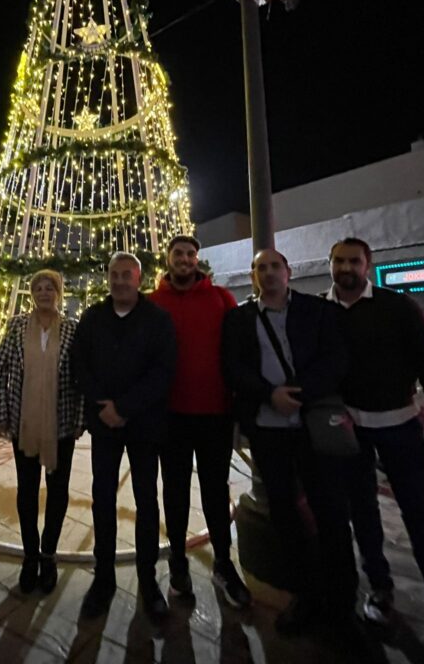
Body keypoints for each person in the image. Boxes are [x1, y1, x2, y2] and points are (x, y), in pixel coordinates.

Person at [327, 238, 424, 662]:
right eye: (339, 261)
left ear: (368, 265)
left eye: (354, 261)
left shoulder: (398, 307)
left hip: (400, 426)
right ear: (330, 264)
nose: (346, 268)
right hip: (350, 432)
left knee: (420, 516)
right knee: (363, 515)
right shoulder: (321, 311)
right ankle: (379, 589)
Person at [222, 249, 358, 636]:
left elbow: (336, 358)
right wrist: (270, 396)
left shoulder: (318, 311)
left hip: (314, 426)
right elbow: (233, 367)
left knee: (331, 512)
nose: (268, 273)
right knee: (284, 514)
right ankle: (306, 594)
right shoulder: (239, 319)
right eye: (260, 268)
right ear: (253, 275)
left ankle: (343, 601)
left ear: (288, 271)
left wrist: (297, 393)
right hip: (269, 432)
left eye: (274, 266)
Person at [71, 252, 177, 624]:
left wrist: (125, 407)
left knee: (147, 501)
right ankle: (103, 579)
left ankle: (148, 581)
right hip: (104, 425)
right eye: (114, 275)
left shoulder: (158, 320)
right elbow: (79, 365)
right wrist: (103, 404)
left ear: (138, 278)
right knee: (102, 499)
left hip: (144, 424)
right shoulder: (92, 318)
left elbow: (163, 371)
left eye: (126, 275)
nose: (119, 281)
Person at [148, 235, 251, 608]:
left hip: (215, 415)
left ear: (197, 259)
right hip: (171, 416)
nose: (185, 259)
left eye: (191, 254)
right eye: (179, 253)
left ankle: (223, 563)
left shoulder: (221, 298)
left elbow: (238, 351)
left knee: (215, 491)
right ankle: (178, 563)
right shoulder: (152, 303)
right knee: (174, 492)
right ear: (168, 258)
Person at [0, 269, 83, 595]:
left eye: (50, 287)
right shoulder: (17, 326)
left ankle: (48, 554)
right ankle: (30, 555)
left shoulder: (72, 328)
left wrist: (79, 420)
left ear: (59, 292)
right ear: (32, 293)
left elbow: (81, 378)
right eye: (39, 288)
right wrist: (0, 413)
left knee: (58, 491)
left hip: (61, 424)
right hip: (23, 423)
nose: (44, 292)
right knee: (27, 490)